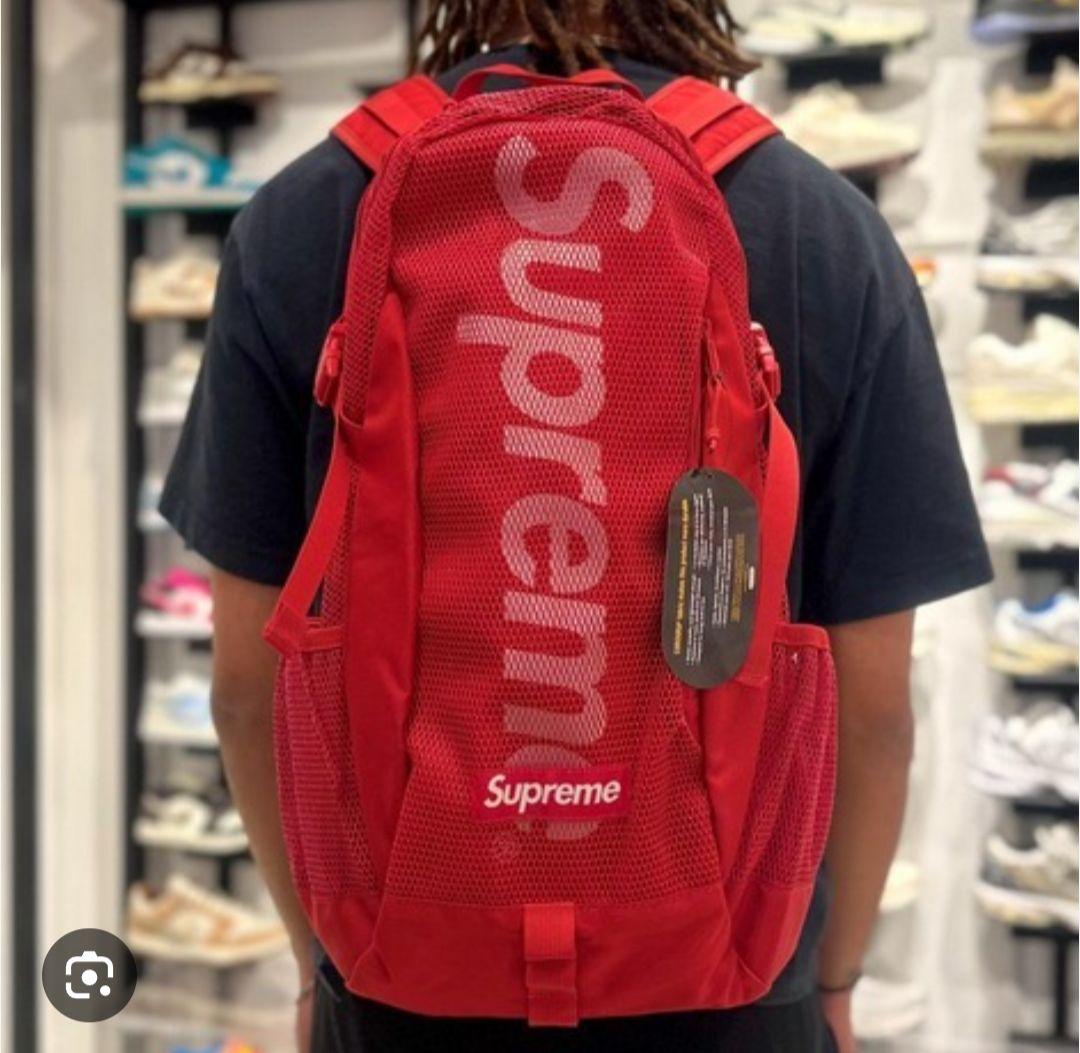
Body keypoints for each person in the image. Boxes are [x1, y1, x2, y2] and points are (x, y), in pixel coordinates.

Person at [161, 3, 992, 1050]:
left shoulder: (303, 213)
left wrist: (316, 962)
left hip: (396, 981)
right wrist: (833, 982)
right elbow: (875, 717)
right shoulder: (819, 224)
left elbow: (244, 694)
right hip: (732, 986)